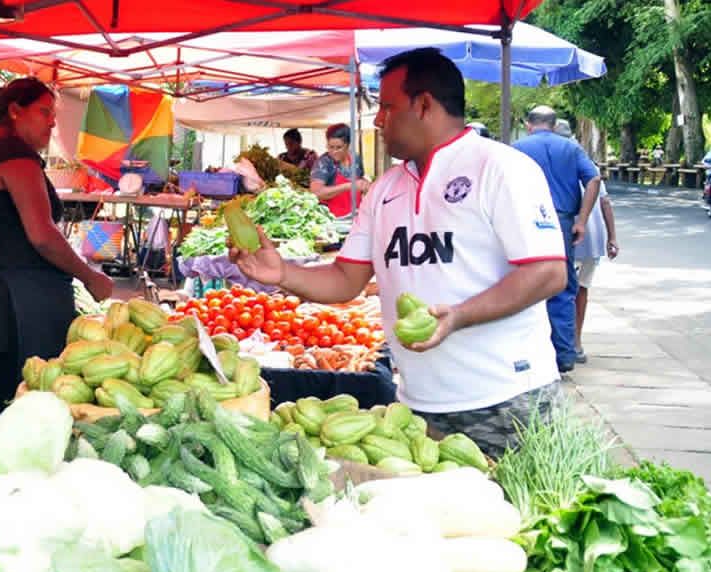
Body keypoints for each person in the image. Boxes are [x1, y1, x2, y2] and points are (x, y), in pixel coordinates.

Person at [230, 48, 567, 458]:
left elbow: (547, 272)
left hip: (506, 400)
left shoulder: (501, 168)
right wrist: (282, 272)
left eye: (387, 107)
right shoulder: (385, 189)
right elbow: (345, 280)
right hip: (417, 407)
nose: (377, 120)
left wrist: (460, 315)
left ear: (424, 105)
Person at [0, 77, 114, 418]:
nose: (52, 122)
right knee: (27, 411)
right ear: (15, 111)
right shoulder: (15, 158)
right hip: (21, 314)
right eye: (44, 112)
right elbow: (42, 234)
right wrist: (90, 277)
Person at [513, 106, 601, 373]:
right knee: (562, 285)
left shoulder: (516, 148)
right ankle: (564, 355)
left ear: (529, 124)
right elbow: (594, 179)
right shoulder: (571, 148)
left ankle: (528, 353)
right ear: (553, 124)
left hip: (523, 221)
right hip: (561, 221)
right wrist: (582, 220)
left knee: (522, 285)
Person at [552, 122, 618, 364]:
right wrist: (612, 238)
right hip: (592, 240)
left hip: (569, 236)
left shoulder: (556, 165)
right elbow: (606, 202)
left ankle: (565, 343)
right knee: (580, 290)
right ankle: (575, 342)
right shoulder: (585, 161)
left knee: (560, 290)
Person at [310, 123, 369, 218]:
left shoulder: (356, 158)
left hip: (356, 216)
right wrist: (349, 186)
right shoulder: (323, 163)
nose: (334, 151)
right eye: (330, 147)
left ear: (348, 145)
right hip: (334, 221)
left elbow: (360, 178)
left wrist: (365, 184)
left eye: (339, 147)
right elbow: (316, 192)